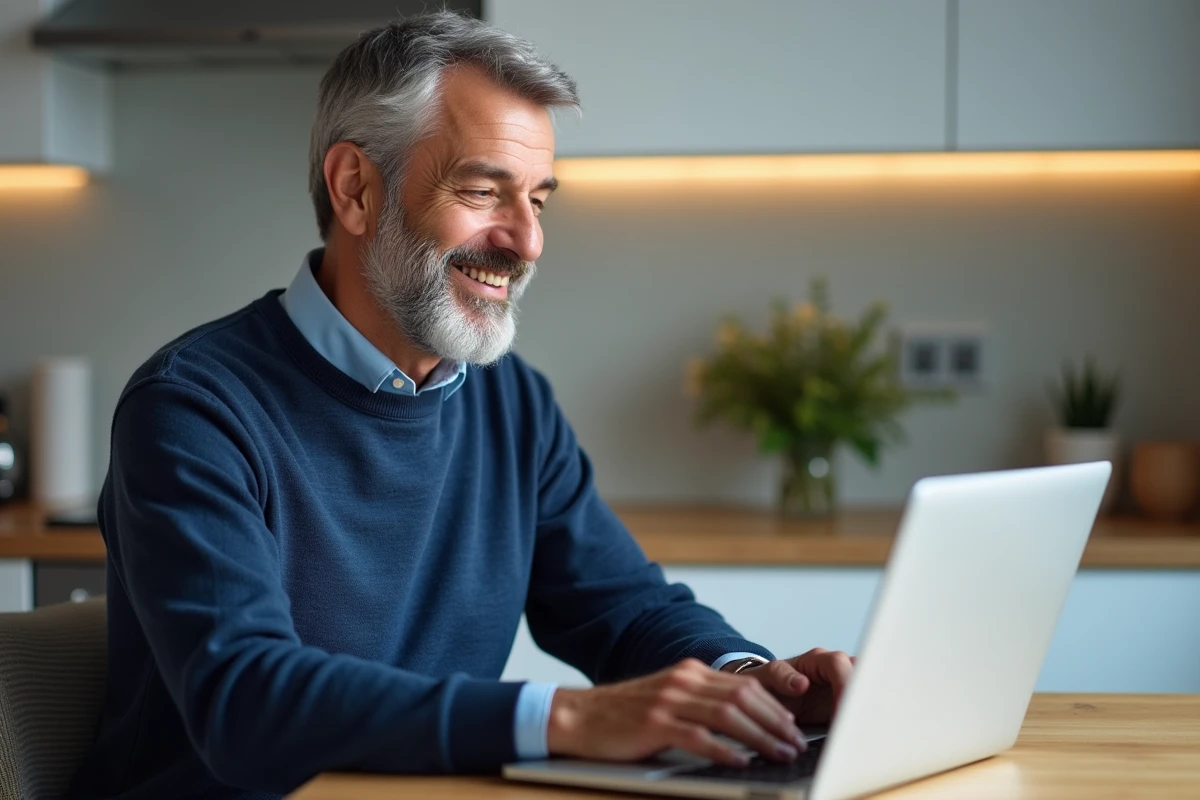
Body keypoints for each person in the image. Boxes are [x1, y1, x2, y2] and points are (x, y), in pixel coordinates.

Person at [70, 12, 854, 799]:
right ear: (356, 189)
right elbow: (246, 701)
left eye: (538, 200)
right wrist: (568, 718)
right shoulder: (193, 408)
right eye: (483, 191)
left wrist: (753, 683)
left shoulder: (514, 403)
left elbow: (623, 609)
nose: (527, 241)